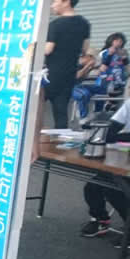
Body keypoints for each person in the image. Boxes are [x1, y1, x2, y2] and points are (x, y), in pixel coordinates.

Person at [80, 99, 130, 239]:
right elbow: (111, 131)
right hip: (122, 158)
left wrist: (120, 139)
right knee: (94, 185)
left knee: (116, 189)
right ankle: (100, 219)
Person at [44, 0, 91, 129]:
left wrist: (33, 47)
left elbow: (48, 49)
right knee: (61, 112)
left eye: (55, 1)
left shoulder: (55, 24)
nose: (52, 5)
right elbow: (85, 49)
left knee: (34, 109)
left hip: (50, 75)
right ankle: (60, 145)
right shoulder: (84, 24)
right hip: (69, 74)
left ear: (66, 2)